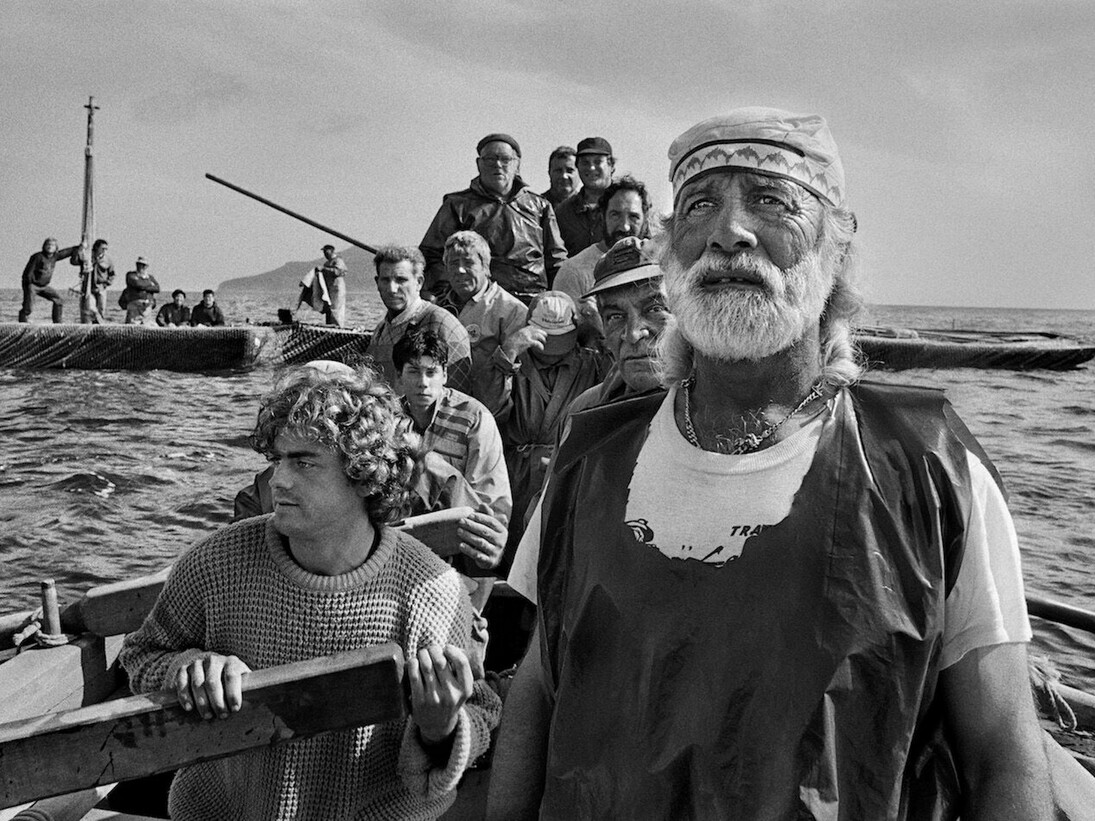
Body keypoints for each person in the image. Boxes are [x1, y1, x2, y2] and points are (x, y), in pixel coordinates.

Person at [488, 108, 1052, 820]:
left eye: (770, 199)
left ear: (836, 249)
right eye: (699, 205)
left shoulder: (927, 463)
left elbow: (1000, 749)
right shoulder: (588, 458)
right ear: (671, 258)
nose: (728, 232)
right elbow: (538, 692)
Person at [120, 363, 501, 820]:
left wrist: (439, 728)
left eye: (303, 462)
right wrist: (188, 668)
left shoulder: (430, 590)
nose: (278, 480)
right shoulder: (216, 562)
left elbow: (479, 709)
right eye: (276, 460)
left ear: (364, 475)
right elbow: (141, 656)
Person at [505, 237, 671, 603]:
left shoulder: (722, 410)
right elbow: (545, 550)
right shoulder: (586, 415)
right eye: (615, 317)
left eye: (655, 309)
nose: (632, 333)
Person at [479, 290, 609, 555]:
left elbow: (619, 388)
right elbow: (489, 414)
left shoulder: (591, 363)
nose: (552, 353)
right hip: (517, 477)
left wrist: (600, 329)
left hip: (569, 474)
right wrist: (507, 354)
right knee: (516, 553)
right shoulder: (511, 362)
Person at [419, 133, 567, 304]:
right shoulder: (457, 205)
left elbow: (556, 260)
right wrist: (448, 295)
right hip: (476, 302)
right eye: (490, 159)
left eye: (505, 159)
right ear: (478, 164)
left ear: (517, 165)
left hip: (533, 301)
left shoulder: (540, 207)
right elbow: (431, 255)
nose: (497, 165)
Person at [554, 175, 653, 346]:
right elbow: (561, 345)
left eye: (634, 217)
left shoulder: (661, 268)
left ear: (645, 219)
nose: (624, 226)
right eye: (615, 215)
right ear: (602, 216)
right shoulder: (574, 271)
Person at [366, 245, 473, 394]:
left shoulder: (443, 324)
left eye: (401, 280)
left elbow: (458, 397)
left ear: (419, 282)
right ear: (377, 283)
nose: (392, 289)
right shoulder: (380, 330)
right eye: (385, 280)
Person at [437, 231, 528, 404]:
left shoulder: (511, 311)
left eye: (469, 262)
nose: (460, 270)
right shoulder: (439, 309)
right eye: (453, 263)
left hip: (491, 408)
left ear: (485, 267)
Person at [553, 136, 615, 257]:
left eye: (598, 162)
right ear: (578, 167)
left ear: (611, 165)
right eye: (585, 162)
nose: (591, 168)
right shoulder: (563, 213)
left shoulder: (629, 206)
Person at [18, 237, 80, 323]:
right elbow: (28, 272)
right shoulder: (38, 256)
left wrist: (79, 247)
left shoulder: (55, 256)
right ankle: (23, 321)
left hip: (44, 286)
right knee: (28, 307)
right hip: (32, 285)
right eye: (48, 244)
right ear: (44, 246)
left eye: (52, 245)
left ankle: (57, 322)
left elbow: (67, 252)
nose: (50, 247)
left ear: (56, 248)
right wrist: (29, 284)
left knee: (59, 300)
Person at [297, 244, 348, 327]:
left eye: (326, 251)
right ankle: (330, 325)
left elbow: (340, 271)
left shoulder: (338, 261)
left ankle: (337, 326)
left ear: (331, 251)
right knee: (329, 309)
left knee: (336, 310)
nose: (324, 254)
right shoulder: (326, 263)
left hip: (337, 289)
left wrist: (324, 269)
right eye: (324, 252)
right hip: (328, 290)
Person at [70, 238, 115, 323]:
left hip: (101, 287)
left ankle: (98, 326)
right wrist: (79, 250)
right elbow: (74, 261)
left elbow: (112, 273)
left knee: (101, 309)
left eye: (106, 249)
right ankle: (93, 323)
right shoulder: (87, 256)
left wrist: (108, 283)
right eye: (102, 248)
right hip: (88, 287)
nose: (104, 251)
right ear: (97, 248)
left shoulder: (108, 260)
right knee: (90, 307)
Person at [122, 257, 161, 325]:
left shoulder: (150, 277)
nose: (141, 267)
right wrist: (149, 285)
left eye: (144, 265)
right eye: (139, 264)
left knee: (147, 325)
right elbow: (138, 284)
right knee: (132, 325)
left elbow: (157, 288)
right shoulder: (131, 275)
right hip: (134, 305)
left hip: (147, 306)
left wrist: (144, 286)